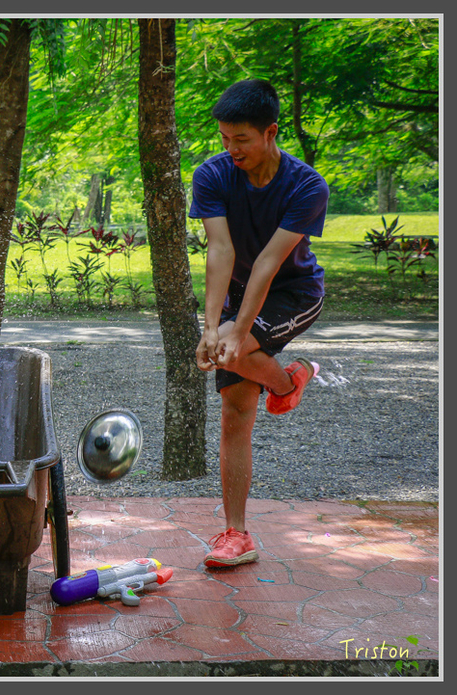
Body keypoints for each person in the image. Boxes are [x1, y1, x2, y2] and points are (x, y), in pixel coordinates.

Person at [189, 79, 329, 568]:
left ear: (270, 133)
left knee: (239, 346)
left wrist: (235, 333)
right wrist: (211, 328)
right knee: (234, 406)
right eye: (224, 138)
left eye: (241, 140)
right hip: (236, 297)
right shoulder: (211, 176)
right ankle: (236, 534)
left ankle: (284, 379)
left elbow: (269, 264)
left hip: (294, 293)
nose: (231, 150)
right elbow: (220, 251)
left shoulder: (306, 185)